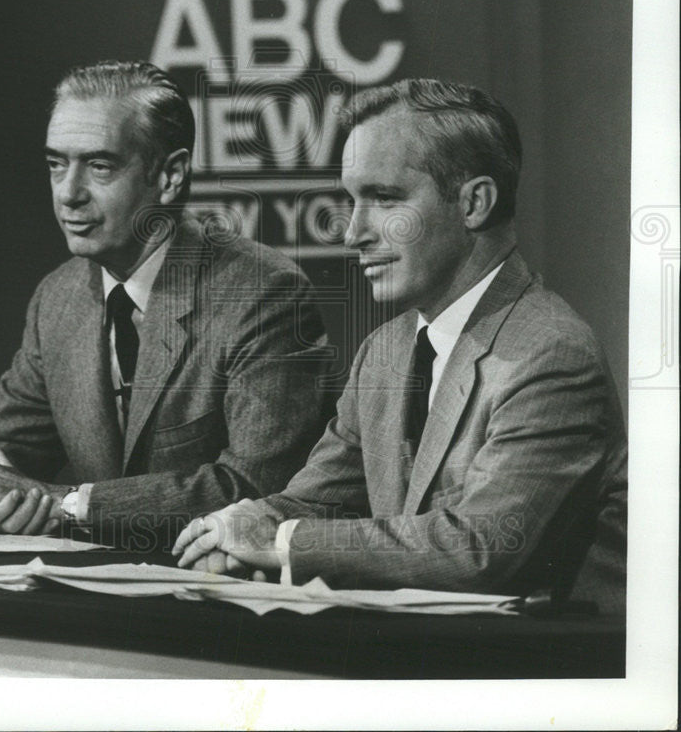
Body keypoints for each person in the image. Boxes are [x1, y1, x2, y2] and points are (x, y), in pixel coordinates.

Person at [174, 78, 628, 614]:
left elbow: (479, 550)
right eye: (351, 200)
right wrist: (235, 525)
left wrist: (279, 541)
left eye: (384, 198)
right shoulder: (384, 350)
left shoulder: (550, 353)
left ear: (474, 203)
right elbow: (316, 504)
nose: (353, 233)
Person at [0, 61, 329, 547]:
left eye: (99, 166)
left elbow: (259, 487)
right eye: (56, 164)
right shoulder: (58, 298)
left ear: (169, 176)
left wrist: (66, 504)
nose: (68, 193)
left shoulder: (262, 292)